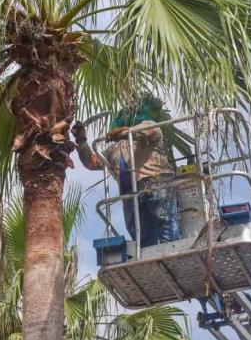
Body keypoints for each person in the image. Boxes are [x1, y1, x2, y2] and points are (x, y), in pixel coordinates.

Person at [72, 97, 181, 248]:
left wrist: (125, 132)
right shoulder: (114, 150)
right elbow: (92, 162)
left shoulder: (147, 125)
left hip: (156, 182)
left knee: (165, 223)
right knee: (140, 235)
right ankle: (147, 259)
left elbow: (152, 132)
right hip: (130, 192)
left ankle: (173, 252)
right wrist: (81, 140)